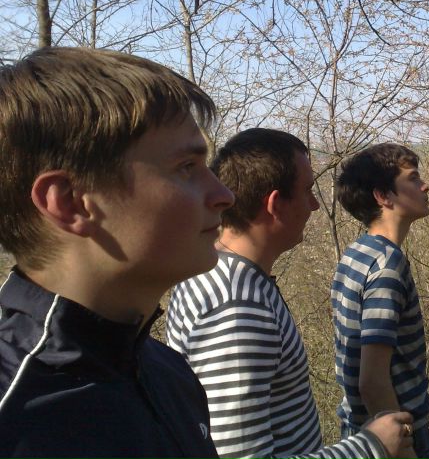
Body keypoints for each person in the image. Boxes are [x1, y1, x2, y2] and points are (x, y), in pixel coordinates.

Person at [0, 47, 235, 457]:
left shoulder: (170, 373)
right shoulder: (14, 418)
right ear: (70, 202)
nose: (224, 195)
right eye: (186, 167)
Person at [166, 128, 414, 459]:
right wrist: (372, 446)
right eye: (307, 191)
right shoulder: (239, 307)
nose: (314, 205)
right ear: (275, 204)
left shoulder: (216, 272)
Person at [331, 143, 429, 459]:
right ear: (383, 196)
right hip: (393, 437)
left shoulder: (357, 252)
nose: (425, 186)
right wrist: (403, 448)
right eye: (413, 178)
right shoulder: (387, 264)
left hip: (361, 433)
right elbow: (372, 381)